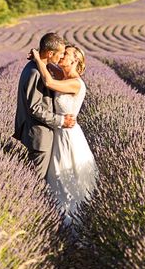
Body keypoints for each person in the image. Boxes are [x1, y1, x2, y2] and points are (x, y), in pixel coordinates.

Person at [29, 44, 98, 222]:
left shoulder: (75, 82)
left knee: (68, 177)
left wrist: (38, 59)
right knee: (55, 177)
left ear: (75, 60)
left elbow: (49, 82)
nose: (62, 56)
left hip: (68, 135)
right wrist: (44, 57)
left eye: (65, 54)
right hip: (58, 132)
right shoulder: (63, 75)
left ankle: (73, 222)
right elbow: (50, 66)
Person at [14, 33, 75, 178]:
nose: (61, 57)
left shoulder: (37, 67)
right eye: (60, 54)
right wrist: (61, 120)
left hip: (43, 134)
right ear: (50, 53)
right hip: (39, 136)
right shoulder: (35, 72)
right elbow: (35, 108)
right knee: (36, 181)